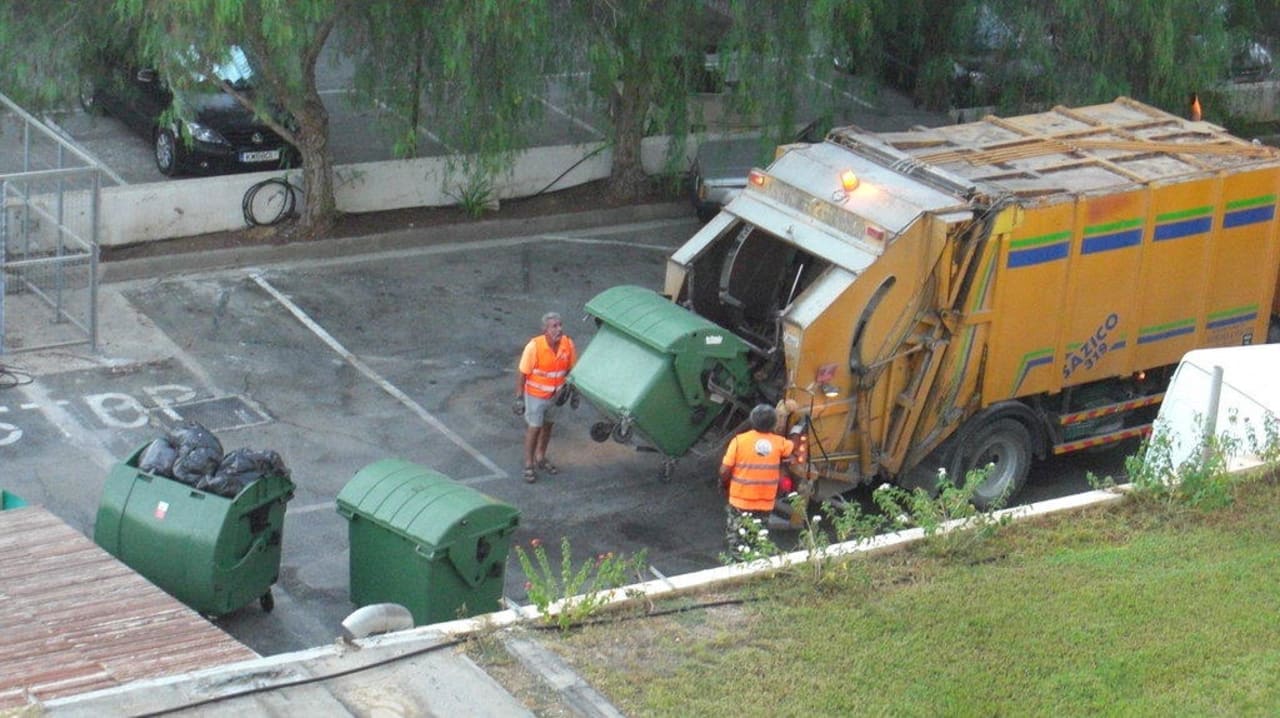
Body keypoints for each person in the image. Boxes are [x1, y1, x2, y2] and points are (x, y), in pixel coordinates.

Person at [719, 403, 794, 552]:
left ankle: (737, 564)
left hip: (740, 500)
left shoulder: (739, 441)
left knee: (737, 538)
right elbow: (792, 447)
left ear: (752, 421)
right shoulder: (779, 443)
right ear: (773, 423)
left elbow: (724, 470)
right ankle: (755, 562)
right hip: (764, 502)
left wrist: (723, 483)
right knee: (758, 536)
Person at [515, 312, 576, 483]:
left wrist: (572, 390)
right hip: (536, 396)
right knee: (534, 428)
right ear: (545, 329)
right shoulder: (534, 347)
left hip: (556, 396)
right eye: (554, 326)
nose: (559, 329)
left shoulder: (568, 345)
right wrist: (519, 397)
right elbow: (523, 373)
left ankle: (540, 457)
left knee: (548, 426)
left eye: (560, 325)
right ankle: (529, 464)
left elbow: (571, 370)